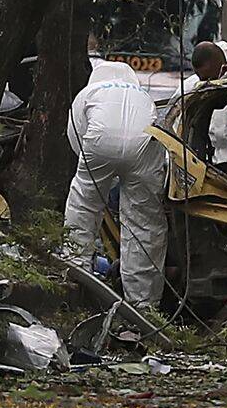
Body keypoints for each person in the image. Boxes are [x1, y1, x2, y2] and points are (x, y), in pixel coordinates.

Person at [64, 61, 168, 308]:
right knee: (144, 224)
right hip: (145, 146)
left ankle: (76, 276)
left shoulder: (88, 94)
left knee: (84, 208)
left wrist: (100, 179)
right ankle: (143, 305)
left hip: (100, 141)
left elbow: (76, 139)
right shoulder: (142, 95)